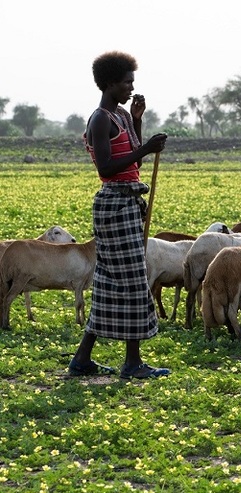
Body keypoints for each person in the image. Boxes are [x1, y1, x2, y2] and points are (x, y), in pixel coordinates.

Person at [68, 51, 170, 379]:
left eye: (132, 82)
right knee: (133, 282)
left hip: (128, 202)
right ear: (110, 83)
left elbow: (135, 163)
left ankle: (82, 360)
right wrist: (147, 148)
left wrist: (138, 120)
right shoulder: (100, 119)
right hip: (114, 205)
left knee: (112, 282)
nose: (131, 88)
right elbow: (107, 167)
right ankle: (133, 363)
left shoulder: (123, 117)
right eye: (126, 82)